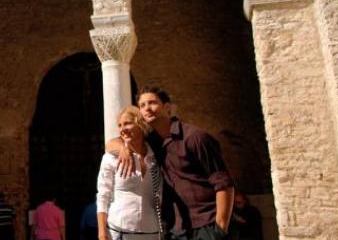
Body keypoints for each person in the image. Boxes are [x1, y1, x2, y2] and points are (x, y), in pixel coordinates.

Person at [108, 86, 235, 240]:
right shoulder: (151, 142)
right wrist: (124, 148)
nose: (147, 108)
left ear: (167, 107)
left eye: (152, 103)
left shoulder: (195, 137)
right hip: (177, 229)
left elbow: (224, 184)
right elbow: (111, 143)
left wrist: (220, 230)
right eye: (142, 105)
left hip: (206, 224)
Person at [96, 107, 160, 240]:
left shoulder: (155, 157)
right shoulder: (111, 158)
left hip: (151, 232)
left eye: (127, 123)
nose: (122, 129)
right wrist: (102, 233)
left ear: (140, 124)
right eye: (120, 125)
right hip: (118, 231)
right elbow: (103, 195)